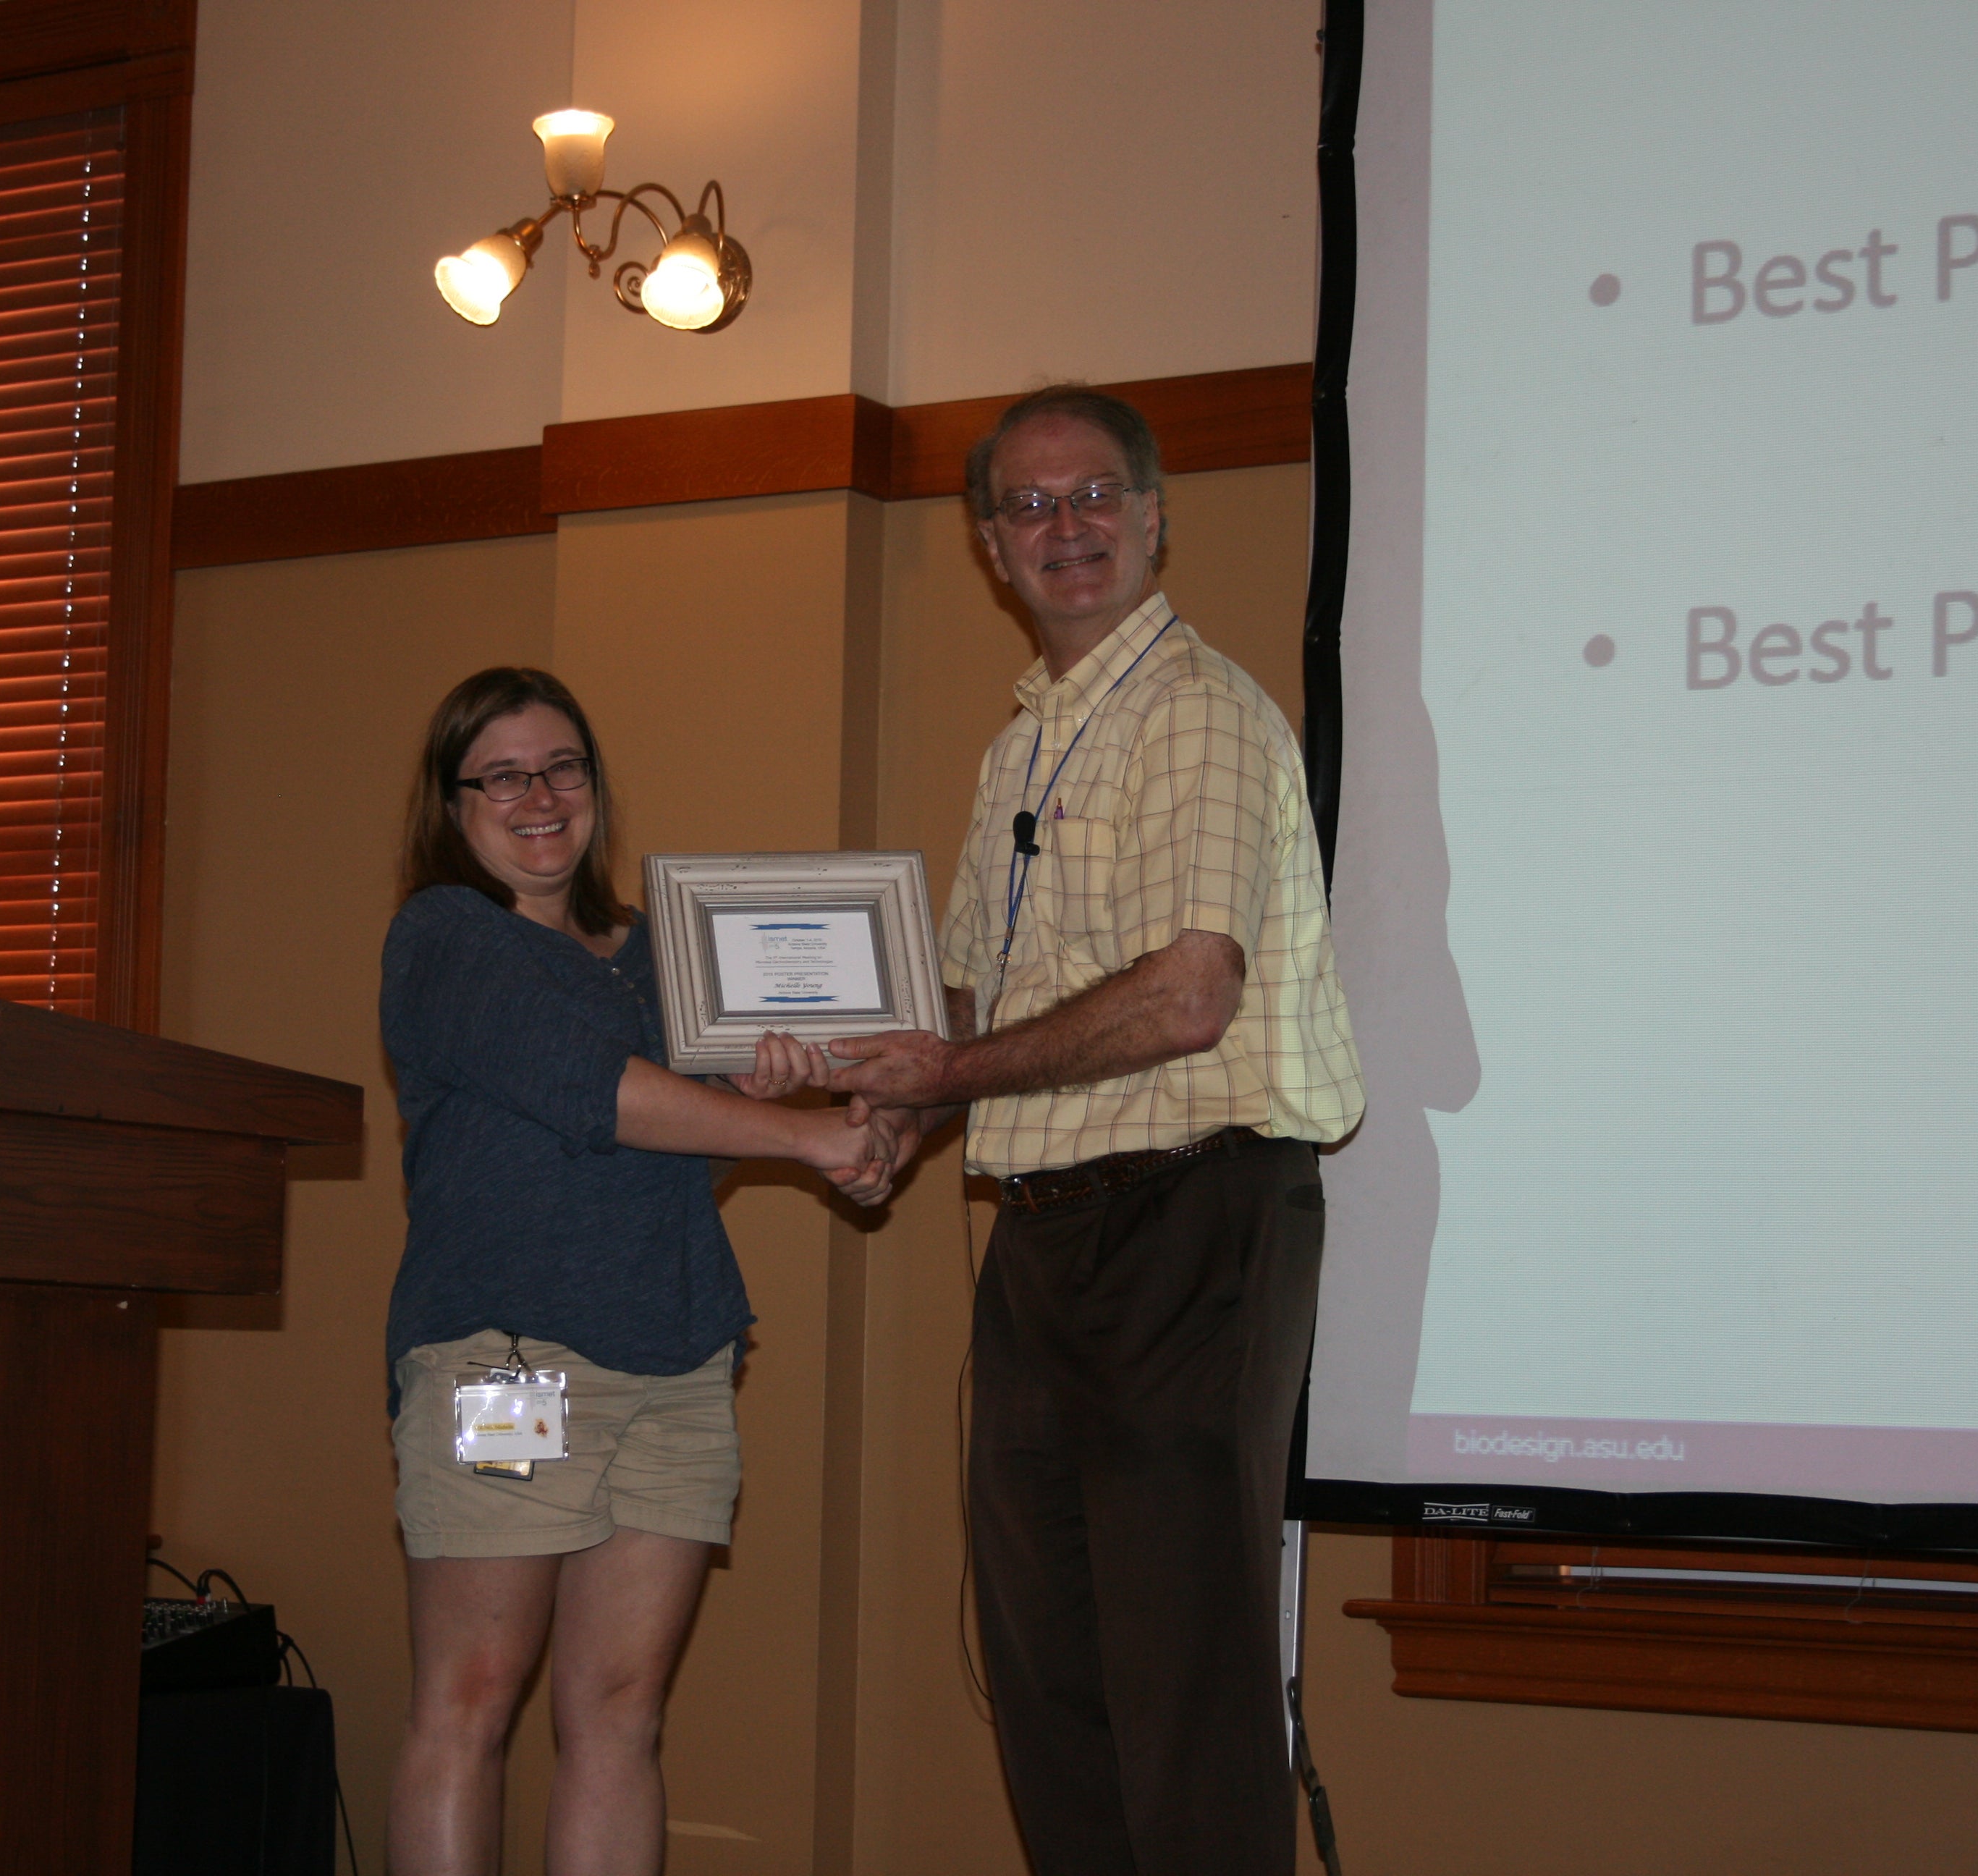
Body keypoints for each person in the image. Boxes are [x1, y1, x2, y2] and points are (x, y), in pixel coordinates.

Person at [827, 386, 1364, 1875]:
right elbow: (963, 1002)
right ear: (992, 548)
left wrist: (940, 1078)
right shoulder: (1028, 744)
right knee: (1049, 1671)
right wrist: (865, 1106)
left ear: (1154, 516)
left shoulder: (1197, 710)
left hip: (1192, 1223)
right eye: (1031, 508)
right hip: (1048, 1239)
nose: (1066, 530)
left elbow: (1188, 997)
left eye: (1095, 498)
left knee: (1177, 1684)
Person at [379, 666, 886, 1876]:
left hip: (677, 1365)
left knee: (619, 1716)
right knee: (473, 1697)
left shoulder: (665, 951)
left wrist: (755, 1091)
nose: (540, 795)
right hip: (509, 1372)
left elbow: (663, 1160)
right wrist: (810, 1135)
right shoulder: (445, 937)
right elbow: (594, 1095)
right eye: (502, 775)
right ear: (455, 808)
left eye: (564, 767)